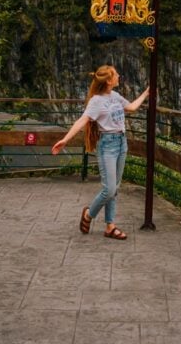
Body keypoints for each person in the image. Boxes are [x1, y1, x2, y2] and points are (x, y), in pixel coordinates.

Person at [51, 64, 149, 239]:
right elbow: (82, 120)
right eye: (116, 74)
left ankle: (110, 227)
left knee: (115, 188)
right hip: (107, 146)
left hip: (121, 142)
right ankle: (89, 214)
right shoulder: (96, 101)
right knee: (109, 189)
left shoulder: (115, 96)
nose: (119, 75)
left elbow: (132, 107)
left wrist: (146, 93)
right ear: (109, 80)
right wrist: (65, 140)